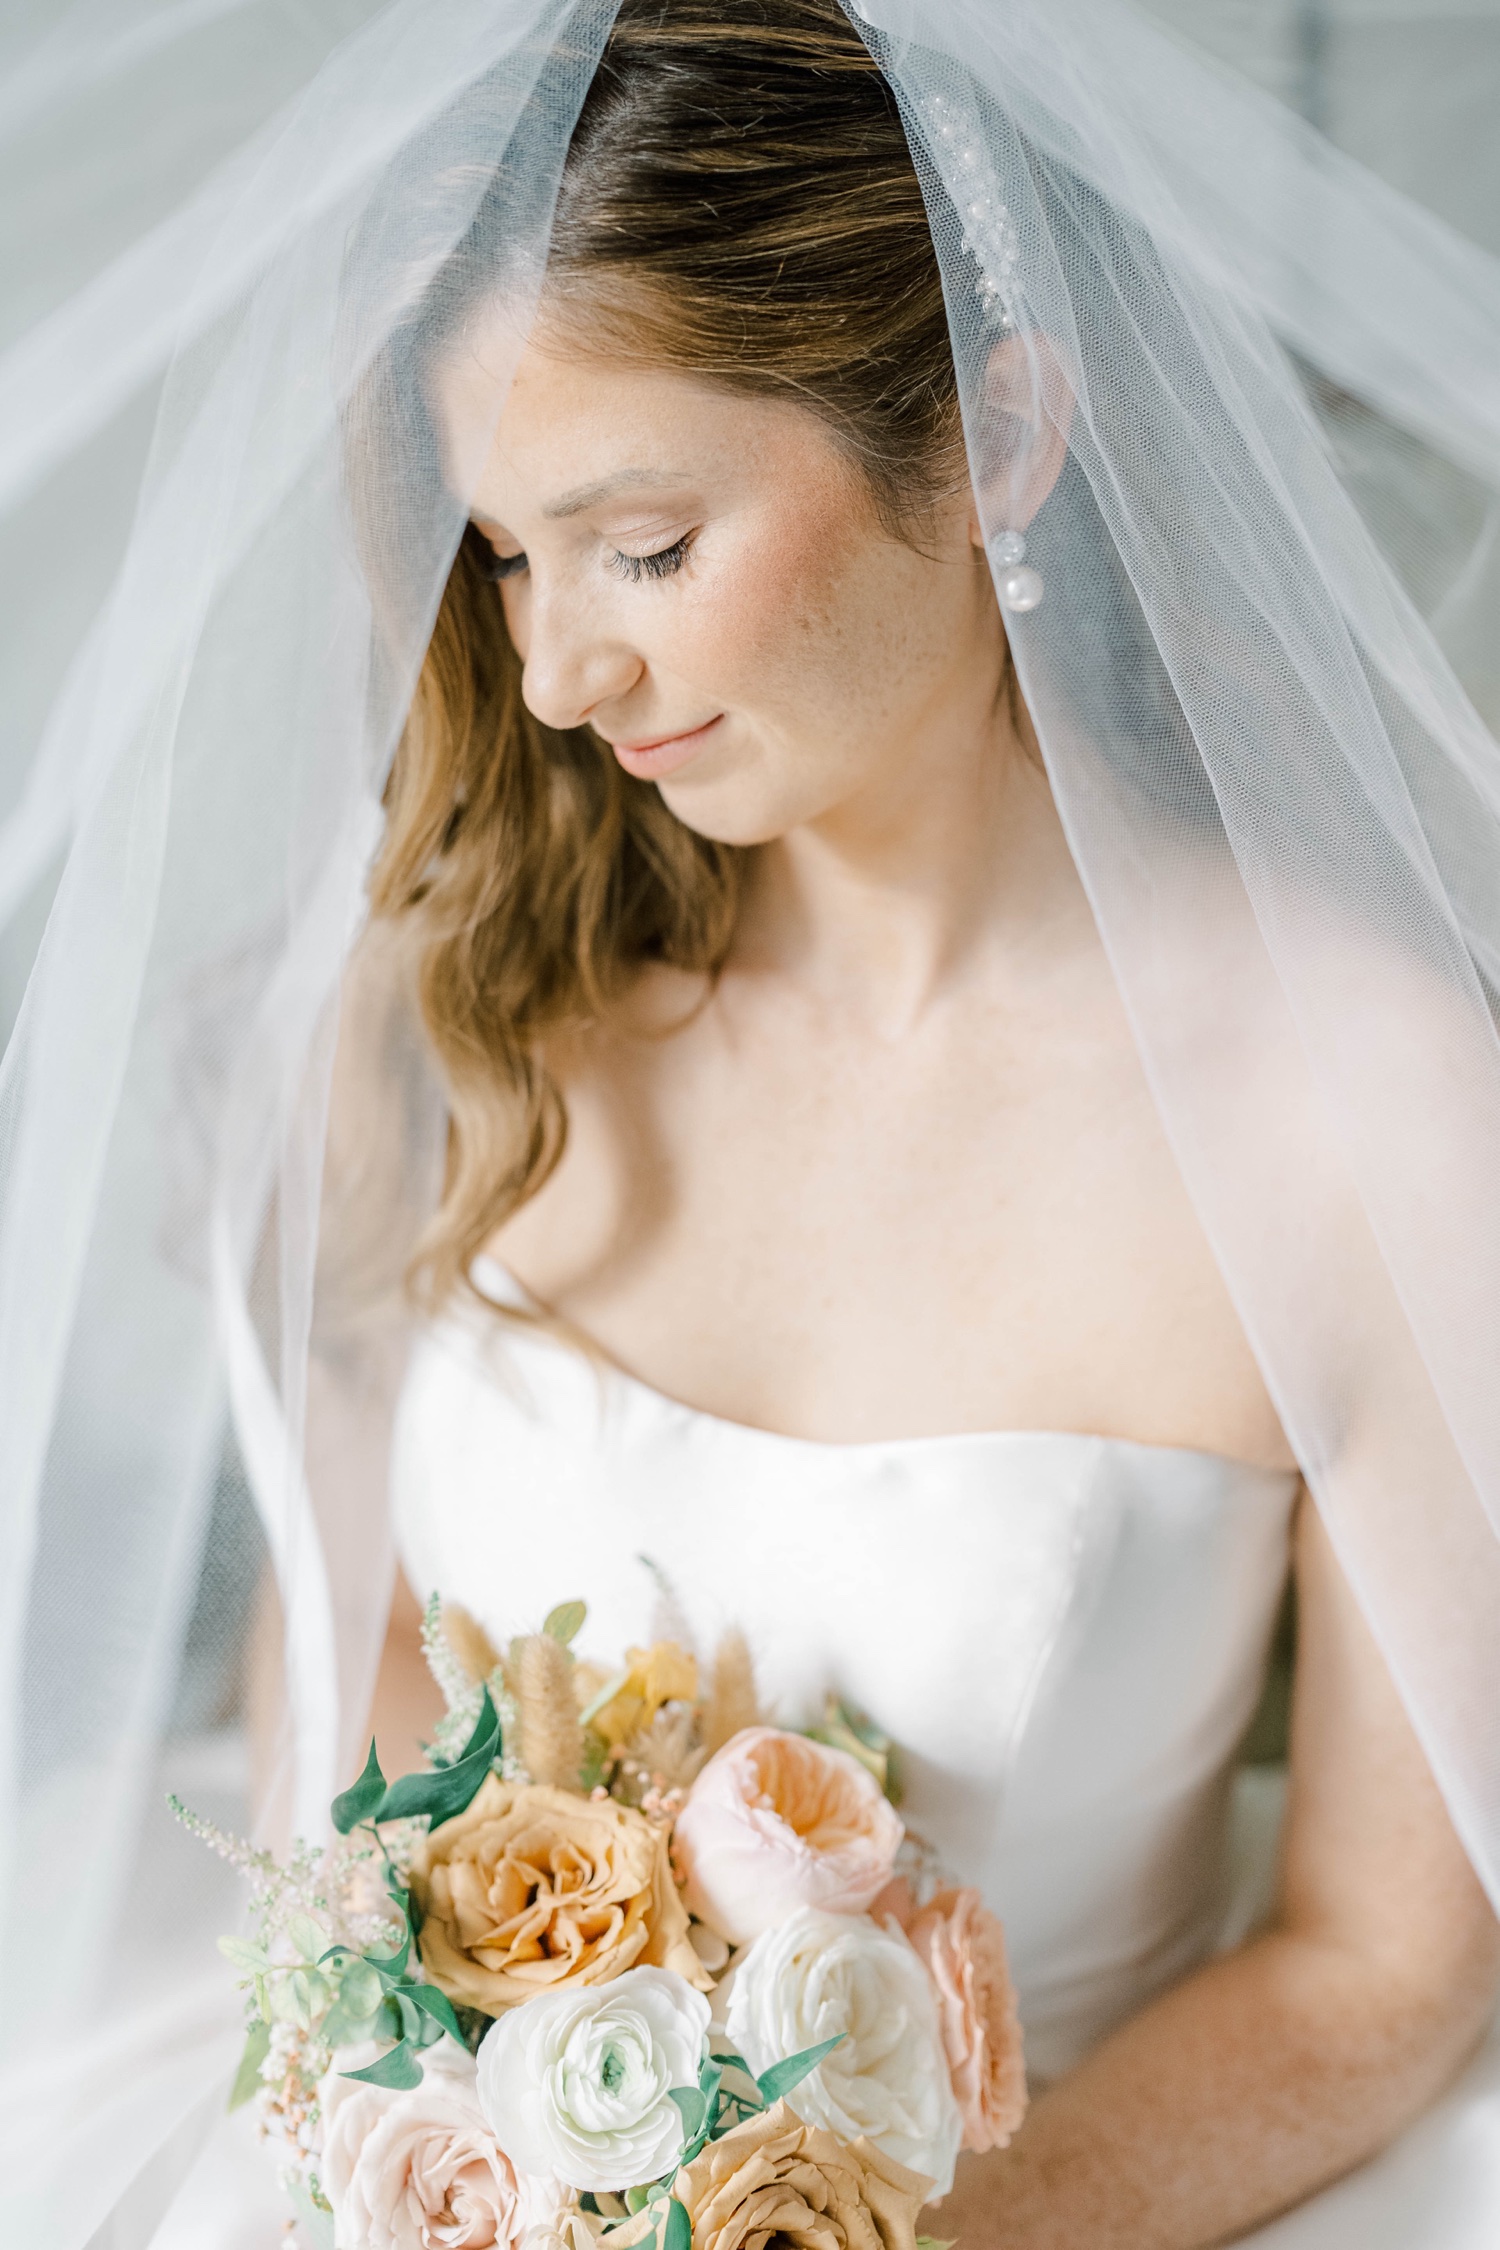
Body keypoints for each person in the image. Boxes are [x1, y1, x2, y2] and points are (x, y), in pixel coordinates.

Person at [5, 2, 1500, 2246]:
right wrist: (474, 2115)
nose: (550, 676)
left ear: (996, 436)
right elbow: (351, 1662)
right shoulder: (453, 995)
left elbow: (1385, 1964)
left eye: (643, 540)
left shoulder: (1362, 1105)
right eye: (507, 556)